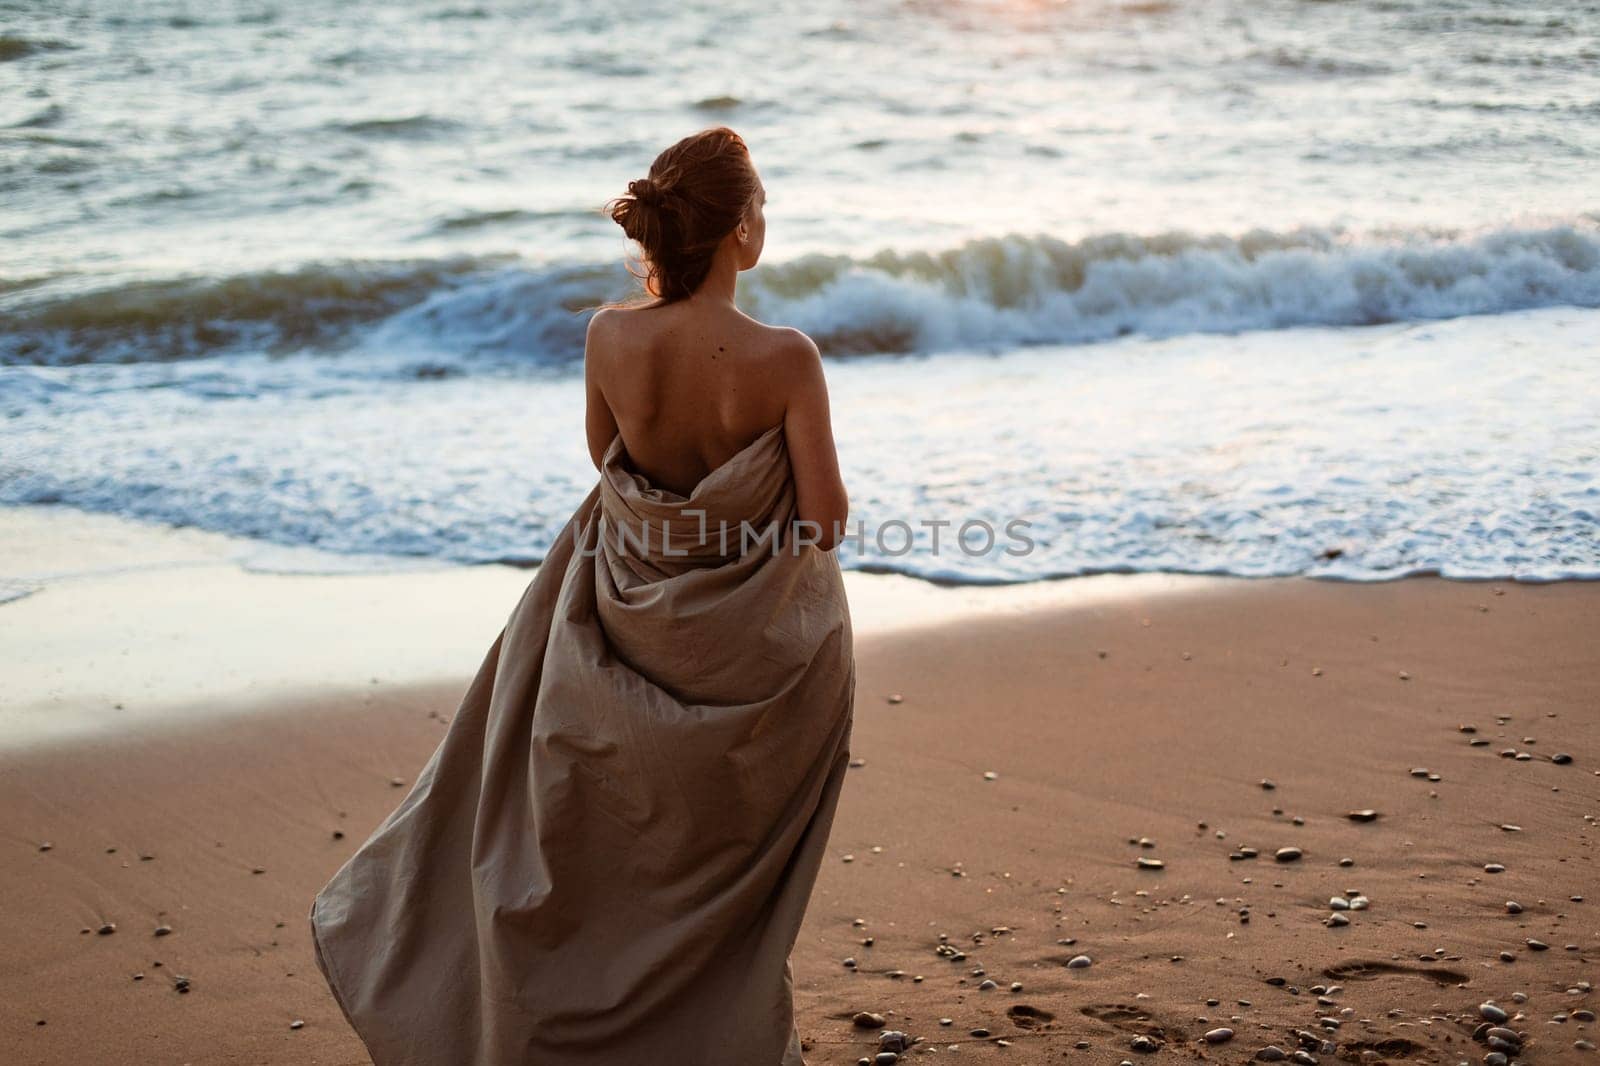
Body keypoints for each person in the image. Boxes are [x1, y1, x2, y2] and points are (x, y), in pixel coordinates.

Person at [308, 125, 857, 1066]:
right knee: (721, 850)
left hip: (620, 613)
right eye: (760, 204)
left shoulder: (609, 336)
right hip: (745, 654)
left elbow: (610, 463)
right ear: (736, 231)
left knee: (617, 840)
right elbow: (824, 517)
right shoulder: (786, 358)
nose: (764, 220)